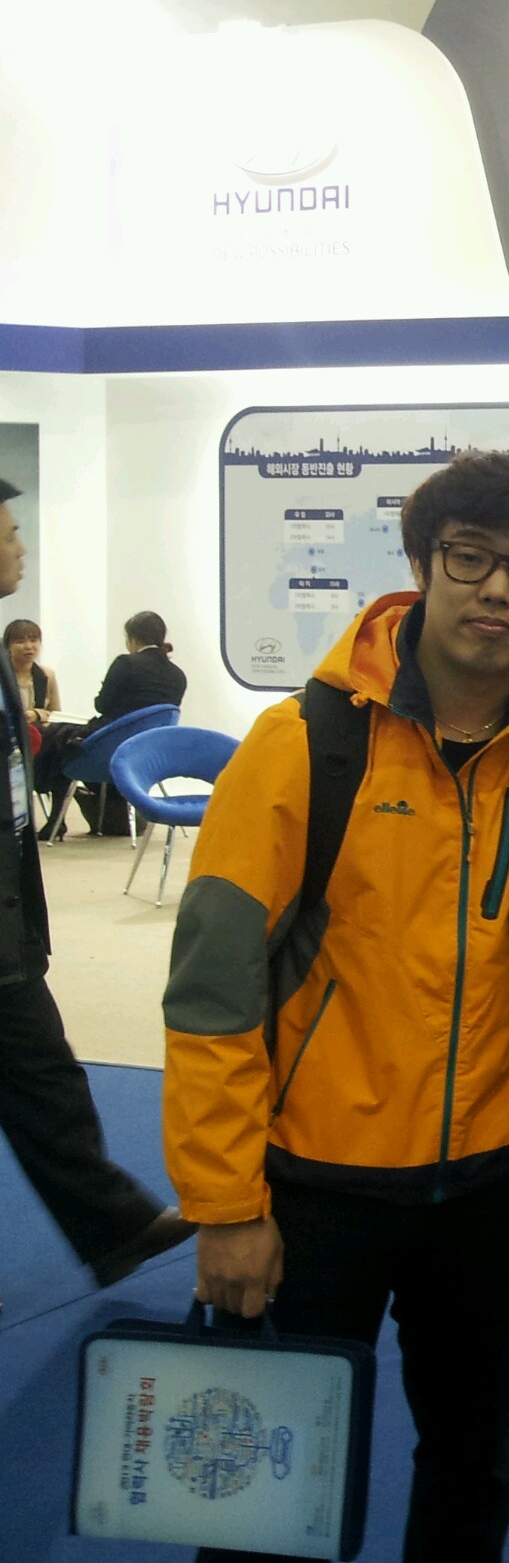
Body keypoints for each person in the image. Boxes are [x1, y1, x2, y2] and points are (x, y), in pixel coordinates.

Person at [164, 450, 509, 1562]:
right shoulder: (303, 744)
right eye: (470, 557)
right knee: (267, 1490)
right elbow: (212, 995)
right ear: (421, 563)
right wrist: (225, 1206)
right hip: (316, 1188)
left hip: (500, 1179)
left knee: (472, 1457)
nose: (497, 590)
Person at [0, 477, 193, 1303]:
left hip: (9, 921)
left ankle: (114, 1226)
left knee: (44, 1075)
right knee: (38, 1071)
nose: (21, 546)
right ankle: (114, 1225)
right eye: (10, 532)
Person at [36, 608, 190, 839]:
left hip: (109, 746)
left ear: (132, 638)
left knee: (58, 740)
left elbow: (102, 705)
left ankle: (55, 818)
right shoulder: (178, 675)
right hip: (148, 751)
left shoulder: (126, 663)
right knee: (64, 738)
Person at [6, 618, 60, 729]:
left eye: (33, 640)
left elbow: (56, 715)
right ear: (8, 646)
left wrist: (37, 714)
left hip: (38, 734)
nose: (28, 646)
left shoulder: (47, 675)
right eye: (20, 642)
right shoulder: (3, 675)